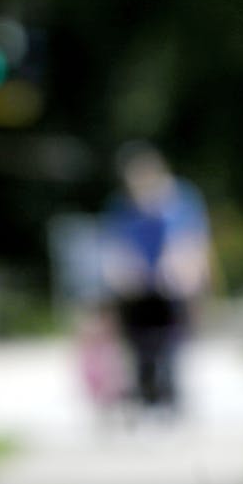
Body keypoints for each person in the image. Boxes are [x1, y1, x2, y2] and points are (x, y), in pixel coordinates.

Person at [101, 142, 210, 418]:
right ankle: (147, 397)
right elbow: (116, 246)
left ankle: (170, 397)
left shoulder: (179, 201)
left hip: (171, 287)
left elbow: (191, 241)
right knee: (140, 346)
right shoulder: (123, 206)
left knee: (170, 344)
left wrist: (186, 270)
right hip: (138, 289)